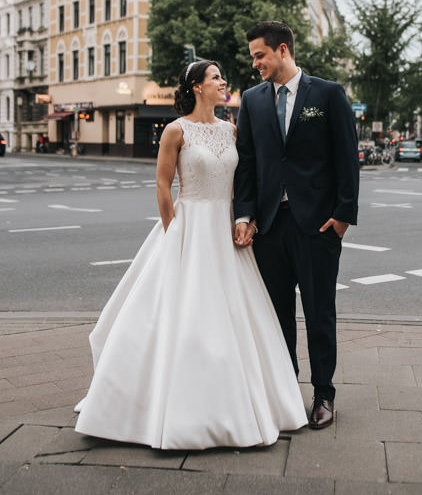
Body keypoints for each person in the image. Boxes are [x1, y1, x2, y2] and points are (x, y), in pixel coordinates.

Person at [74, 60, 306, 450]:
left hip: (225, 228)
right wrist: (173, 232)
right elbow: (163, 186)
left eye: (222, 76)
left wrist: (244, 219)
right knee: (181, 314)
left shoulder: (232, 130)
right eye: (216, 77)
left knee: (234, 314)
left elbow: (241, 183)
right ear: (197, 86)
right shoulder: (175, 130)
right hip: (188, 225)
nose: (223, 82)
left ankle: (244, 402)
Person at [233, 21, 360, 430]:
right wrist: (245, 214)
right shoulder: (251, 101)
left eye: (260, 55)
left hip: (317, 226)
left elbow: (347, 158)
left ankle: (324, 394)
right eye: (253, 56)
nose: (255, 64)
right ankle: (287, 392)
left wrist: (342, 218)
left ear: (283, 50)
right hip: (270, 227)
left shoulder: (327, 94)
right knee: (277, 317)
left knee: (320, 312)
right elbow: (248, 164)